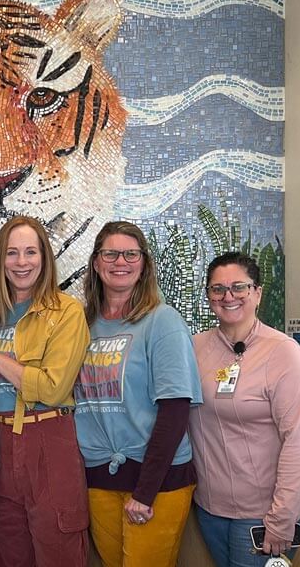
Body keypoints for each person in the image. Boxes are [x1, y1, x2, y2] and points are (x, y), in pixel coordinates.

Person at [0, 216, 90, 566]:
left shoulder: (66, 312)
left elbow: (53, 388)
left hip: (47, 438)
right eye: (12, 253)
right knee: (9, 552)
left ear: (44, 257)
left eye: (31, 252)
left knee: (59, 551)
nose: (22, 262)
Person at [73, 221, 203, 567]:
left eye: (131, 254)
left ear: (143, 263)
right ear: (96, 263)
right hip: (99, 477)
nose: (121, 261)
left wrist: (145, 492)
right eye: (110, 253)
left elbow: (175, 411)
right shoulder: (81, 324)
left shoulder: (162, 321)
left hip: (156, 480)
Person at [190, 252, 300, 566]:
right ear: (208, 296)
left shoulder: (284, 353)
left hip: (266, 513)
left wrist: (282, 518)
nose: (228, 296)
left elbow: (299, 443)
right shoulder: (194, 347)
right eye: (217, 289)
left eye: (239, 287)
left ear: (257, 293)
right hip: (211, 509)